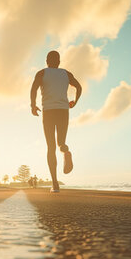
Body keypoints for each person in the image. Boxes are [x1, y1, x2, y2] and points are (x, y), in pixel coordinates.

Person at [30, 50, 82, 193]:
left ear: (47, 60)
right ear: (59, 61)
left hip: (48, 111)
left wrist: (33, 105)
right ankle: (66, 151)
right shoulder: (66, 74)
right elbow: (79, 87)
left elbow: (33, 89)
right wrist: (74, 102)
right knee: (61, 143)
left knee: (51, 147)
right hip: (63, 110)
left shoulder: (42, 73)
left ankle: (55, 184)